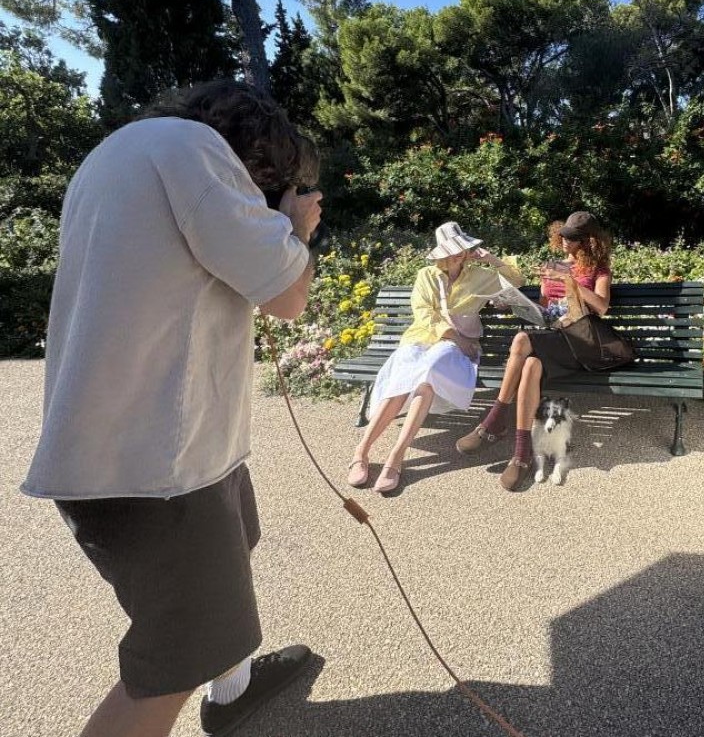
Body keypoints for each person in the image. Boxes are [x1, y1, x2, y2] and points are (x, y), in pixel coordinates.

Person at [20, 80, 324, 737]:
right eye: (274, 178)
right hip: (160, 467)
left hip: (153, 451)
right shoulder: (193, 150)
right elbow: (288, 297)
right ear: (258, 155)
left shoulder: (115, 154)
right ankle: (215, 680)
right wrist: (295, 227)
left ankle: (232, 688)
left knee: (231, 557)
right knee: (172, 662)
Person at [347, 221, 524, 494]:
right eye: (451, 250)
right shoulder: (426, 275)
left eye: (461, 249)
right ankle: (361, 452)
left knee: (429, 372)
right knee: (405, 373)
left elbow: (517, 280)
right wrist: (455, 337)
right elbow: (423, 313)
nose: (457, 255)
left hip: (455, 351)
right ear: (441, 252)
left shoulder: (480, 274)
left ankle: (396, 457)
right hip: (422, 339)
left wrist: (490, 259)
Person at [456, 211, 614, 491]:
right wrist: (513, 304)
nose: (565, 241)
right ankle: (522, 454)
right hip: (551, 335)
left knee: (520, 340)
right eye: (563, 235)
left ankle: (494, 422)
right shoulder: (551, 265)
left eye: (573, 238)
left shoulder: (598, 269)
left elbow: (601, 307)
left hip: (578, 342)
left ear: (589, 241)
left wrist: (569, 281)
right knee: (530, 365)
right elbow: (543, 308)